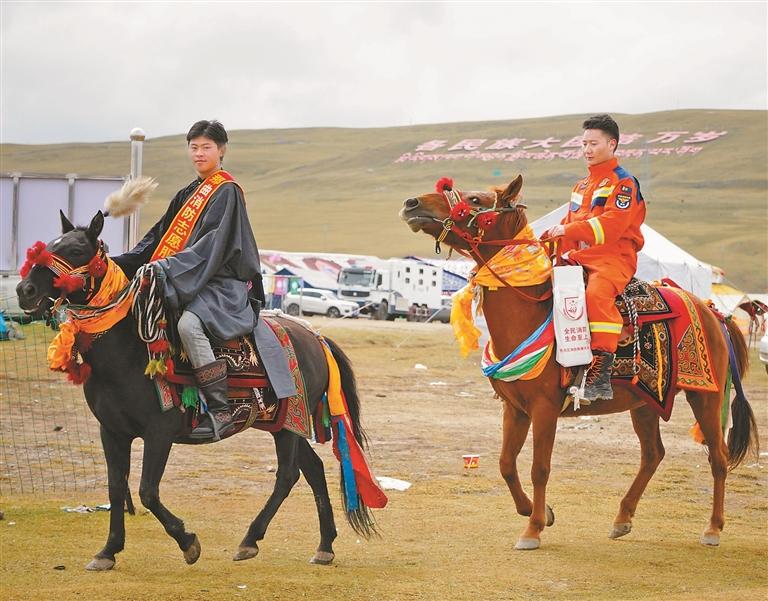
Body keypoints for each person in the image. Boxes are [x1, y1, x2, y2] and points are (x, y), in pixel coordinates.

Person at [113, 120, 296, 439]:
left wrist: (166, 269)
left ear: (221, 151)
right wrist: (118, 264)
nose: (199, 153)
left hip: (222, 283)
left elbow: (211, 247)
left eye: (206, 147)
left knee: (188, 325)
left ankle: (220, 410)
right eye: (194, 147)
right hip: (191, 277)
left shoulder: (227, 191)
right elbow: (156, 238)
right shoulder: (187, 193)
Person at [542, 114, 646, 401]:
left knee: (596, 295)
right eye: (584, 144)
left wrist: (568, 229)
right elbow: (569, 226)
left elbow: (612, 226)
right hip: (580, 256)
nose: (587, 150)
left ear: (612, 144)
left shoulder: (624, 183)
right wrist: (546, 242)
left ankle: (600, 372)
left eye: (593, 143)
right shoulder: (580, 186)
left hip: (613, 259)